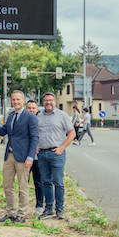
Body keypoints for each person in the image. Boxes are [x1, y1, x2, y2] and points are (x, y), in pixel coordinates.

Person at [0, 90, 39, 223]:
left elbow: (35, 138)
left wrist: (30, 157)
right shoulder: (11, 116)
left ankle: (21, 215)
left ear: (23, 100)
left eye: (18, 99)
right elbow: (2, 131)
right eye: (13, 99)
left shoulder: (30, 117)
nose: (15, 102)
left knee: (23, 187)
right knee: (7, 186)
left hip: (23, 157)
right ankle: (11, 213)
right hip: (9, 156)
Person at [37, 92, 76, 220]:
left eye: (51, 100)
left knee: (58, 182)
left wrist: (62, 148)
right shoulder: (39, 116)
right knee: (46, 182)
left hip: (56, 153)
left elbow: (72, 133)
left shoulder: (62, 115)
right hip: (42, 153)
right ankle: (49, 209)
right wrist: (36, 147)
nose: (48, 102)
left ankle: (60, 208)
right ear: (43, 102)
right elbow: (36, 133)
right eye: (46, 100)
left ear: (55, 101)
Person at [25, 99, 44, 216]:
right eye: (29, 108)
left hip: (38, 157)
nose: (31, 110)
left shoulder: (41, 121)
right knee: (24, 182)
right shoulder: (23, 120)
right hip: (25, 157)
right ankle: (23, 206)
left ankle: (40, 205)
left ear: (37, 109)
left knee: (39, 182)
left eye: (33, 108)